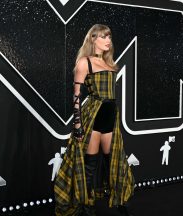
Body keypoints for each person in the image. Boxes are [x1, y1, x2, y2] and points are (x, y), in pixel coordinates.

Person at [54, 24, 134, 216]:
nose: (108, 41)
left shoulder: (110, 63)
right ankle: (86, 205)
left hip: (110, 115)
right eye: (104, 37)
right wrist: (78, 125)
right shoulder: (84, 62)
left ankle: (118, 199)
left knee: (113, 160)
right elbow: (76, 97)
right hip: (94, 115)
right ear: (93, 39)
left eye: (109, 37)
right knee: (89, 165)